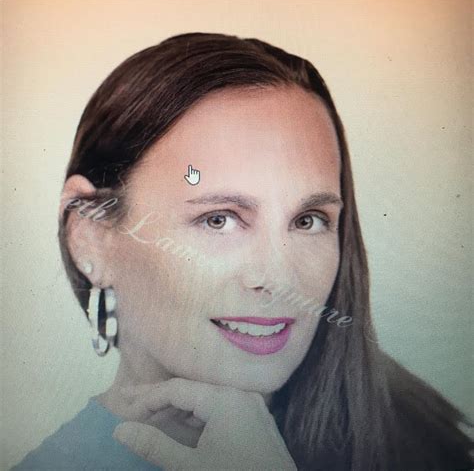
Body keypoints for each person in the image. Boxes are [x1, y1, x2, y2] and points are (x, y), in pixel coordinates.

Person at [12, 32, 473, 471]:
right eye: (219, 219)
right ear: (91, 237)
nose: (278, 279)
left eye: (308, 220)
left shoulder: (426, 440)